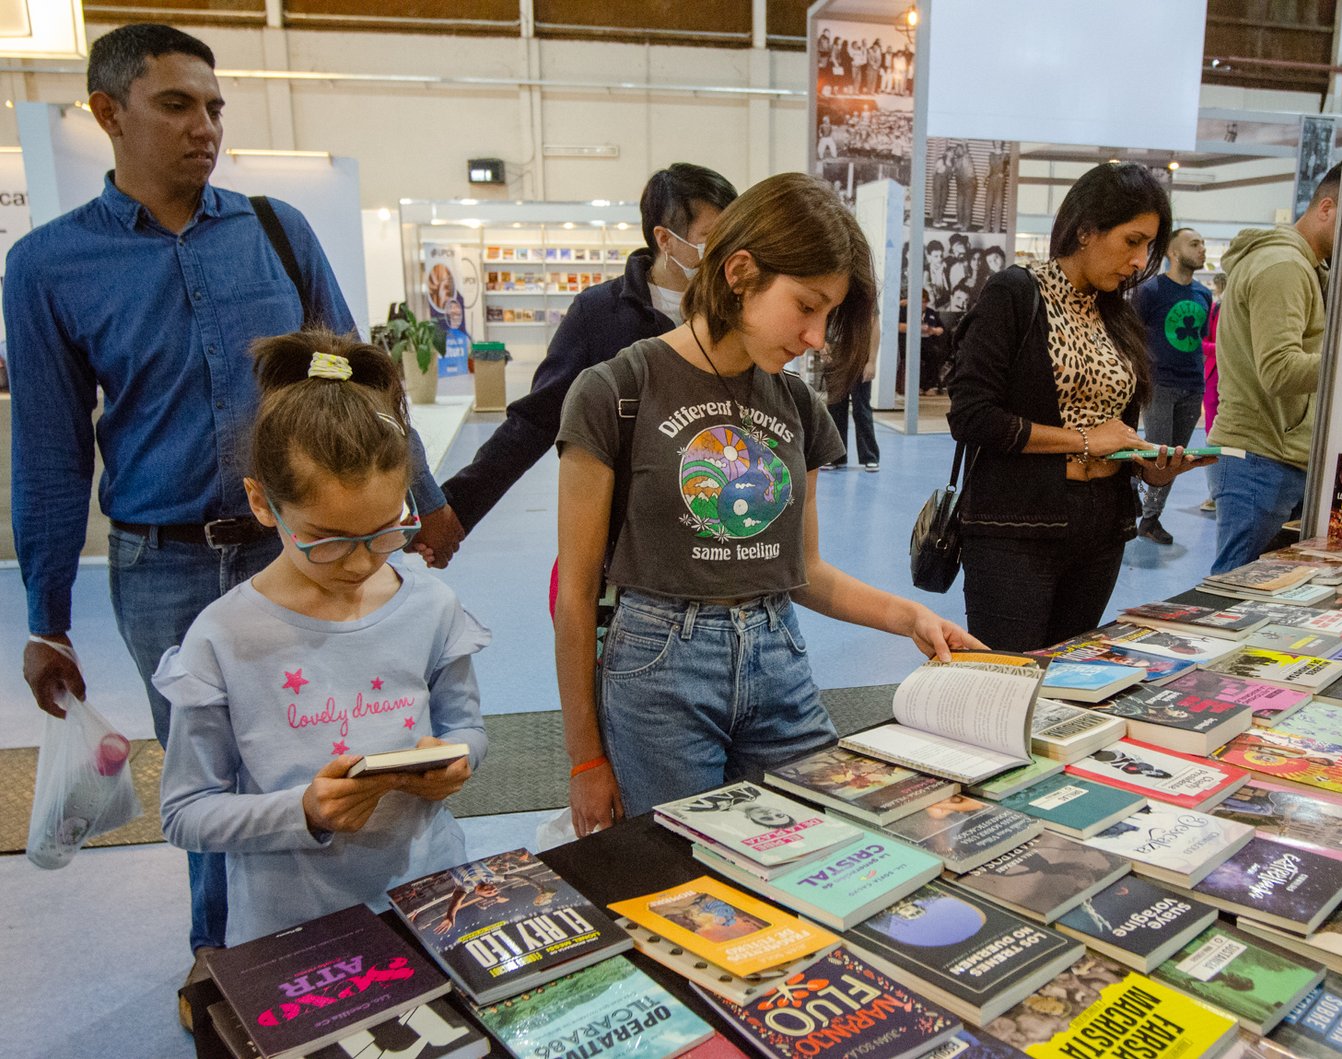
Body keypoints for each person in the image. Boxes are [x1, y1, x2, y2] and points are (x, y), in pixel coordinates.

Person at [4, 23, 459, 1010]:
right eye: (176, 104)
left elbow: (359, 383)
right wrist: (46, 617)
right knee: (212, 771)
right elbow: (48, 449)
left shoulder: (277, 231)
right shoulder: (48, 267)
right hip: (161, 566)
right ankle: (226, 960)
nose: (204, 126)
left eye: (213, 106)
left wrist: (421, 498)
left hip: (299, 546)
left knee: (329, 741)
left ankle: (354, 934)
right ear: (108, 113)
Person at [553, 173, 980, 833]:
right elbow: (575, 594)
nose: (816, 336)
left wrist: (910, 616)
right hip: (661, 671)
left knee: (825, 844)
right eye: (807, 305)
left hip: (778, 656)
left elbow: (804, 569)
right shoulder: (615, 389)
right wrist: (585, 758)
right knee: (688, 878)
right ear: (742, 272)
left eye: (830, 314)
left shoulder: (796, 405)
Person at [158, 330, 488, 951]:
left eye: (386, 531)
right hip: (294, 926)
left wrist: (456, 761)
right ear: (262, 502)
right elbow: (186, 812)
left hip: (432, 899)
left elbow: (468, 728)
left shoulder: (431, 606)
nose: (362, 562)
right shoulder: (223, 638)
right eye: (329, 539)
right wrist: (305, 812)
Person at [947, 163, 1212, 650]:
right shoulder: (1016, 294)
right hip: (1018, 526)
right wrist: (1086, 441)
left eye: (1149, 247)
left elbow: (1118, 429)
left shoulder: (1118, 314)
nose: (1139, 261)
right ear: (1086, 230)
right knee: (1010, 674)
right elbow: (972, 416)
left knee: (1068, 679)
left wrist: (1144, 466)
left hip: (1102, 528)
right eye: (1132, 241)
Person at [442, 163, 737, 533]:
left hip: (722, 513)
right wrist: (458, 506)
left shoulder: (737, 311)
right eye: (711, 237)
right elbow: (537, 418)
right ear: (665, 239)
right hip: (628, 526)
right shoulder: (599, 313)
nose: (725, 250)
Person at [1209, 163, 1342, 574]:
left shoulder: (1300, 265)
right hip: (1261, 456)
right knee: (1234, 588)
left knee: (1256, 588)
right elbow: (1280, 370)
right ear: (1326, 207)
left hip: (1274, 454)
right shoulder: (1283, 266)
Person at [1131, 226, 1213, 544]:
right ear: (1173, 252)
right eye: (1195, 244)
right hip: (1159, 383)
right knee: (1157, 452)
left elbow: (1200, 338)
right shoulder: (1150, 291)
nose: (1202, 249)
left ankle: (1150, 519)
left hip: (1193, 385)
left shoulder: (1204, 294)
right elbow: (1132, 334)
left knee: (1177, 460)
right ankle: (1132, 493)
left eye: (1203, 243)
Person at [825, 310, 881, 472]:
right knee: (835, 408)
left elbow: (874, 324)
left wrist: (871, 361)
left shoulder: (865, 290)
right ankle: (836, 456)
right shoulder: (831, 288)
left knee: (861, 409)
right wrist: (821, 343)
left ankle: (869, 456)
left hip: (859, 354)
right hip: (835, 354)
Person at [1199, 272, 1225, 512]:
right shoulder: (1215, 309)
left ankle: (1219, 494)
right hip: (1214, 379)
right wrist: (1224, 348)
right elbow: (1203, 341)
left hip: (1237, 382)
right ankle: (1215, 494)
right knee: (1213, 438)